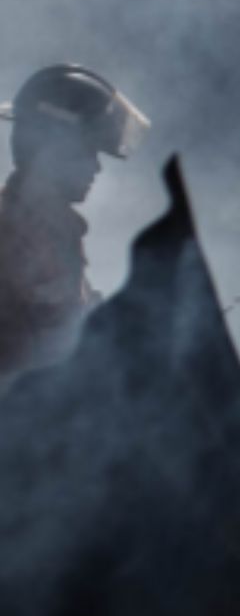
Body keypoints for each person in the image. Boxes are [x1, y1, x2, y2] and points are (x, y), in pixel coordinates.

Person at [0, 65, 148, 383]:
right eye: (87, 151)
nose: (96, 167)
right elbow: (59, 341)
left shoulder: (49, 225)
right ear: (52, 148)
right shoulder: (19, 232)